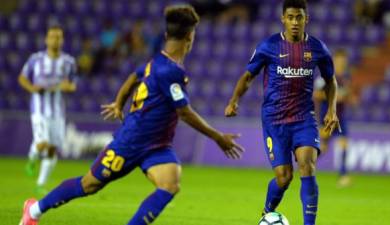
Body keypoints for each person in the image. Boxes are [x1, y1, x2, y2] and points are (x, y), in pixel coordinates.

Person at [19, 5, 244, 225]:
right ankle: (34, 209)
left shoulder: (156, 62)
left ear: (167, 34)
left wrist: (119, 103)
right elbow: (183, 112)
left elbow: (132, 78)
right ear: (190, 37)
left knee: (170, 184)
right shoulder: (170, 71)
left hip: (157, 145)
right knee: (88, 185)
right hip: (130, 142)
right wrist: (218, 137)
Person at [224, 0, 340, 225]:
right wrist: (234, 101)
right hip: (274, 120)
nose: (295, 22)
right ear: (283, 19)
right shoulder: (269, 46)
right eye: (291, 17)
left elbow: (331, 81)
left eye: (299, 17)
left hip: (303, 117)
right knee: (284, 177)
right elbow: (248, 76)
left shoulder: (318, 49)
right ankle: (267, 211)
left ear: (307, 19)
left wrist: (332, 109)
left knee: (307, 165)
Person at [18, 25, 77, 194]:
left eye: (58, 37)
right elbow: (22, 78)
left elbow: (72, 85)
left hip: (58, 112)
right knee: (42, 143)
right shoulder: (35, 59)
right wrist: (32, 88)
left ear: (62, 40)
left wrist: (68, 87)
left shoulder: (68, 62)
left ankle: (40, 184)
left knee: (52, 149)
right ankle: (32, 158)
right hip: (39, 109)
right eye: (52, 36)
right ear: (46, 39)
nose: (55, 40)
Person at [314, 49, 351, 187]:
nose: (342, 63)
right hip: (328, 118)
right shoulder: (325, 76)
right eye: (339, 61)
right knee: (323, 147)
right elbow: (316, 95)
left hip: (340, 119)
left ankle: (343, 175)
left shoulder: (346, 78)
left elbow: (346, 95)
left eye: (343, 61)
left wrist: (347, 98)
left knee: (343, 144)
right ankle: (306, 166)